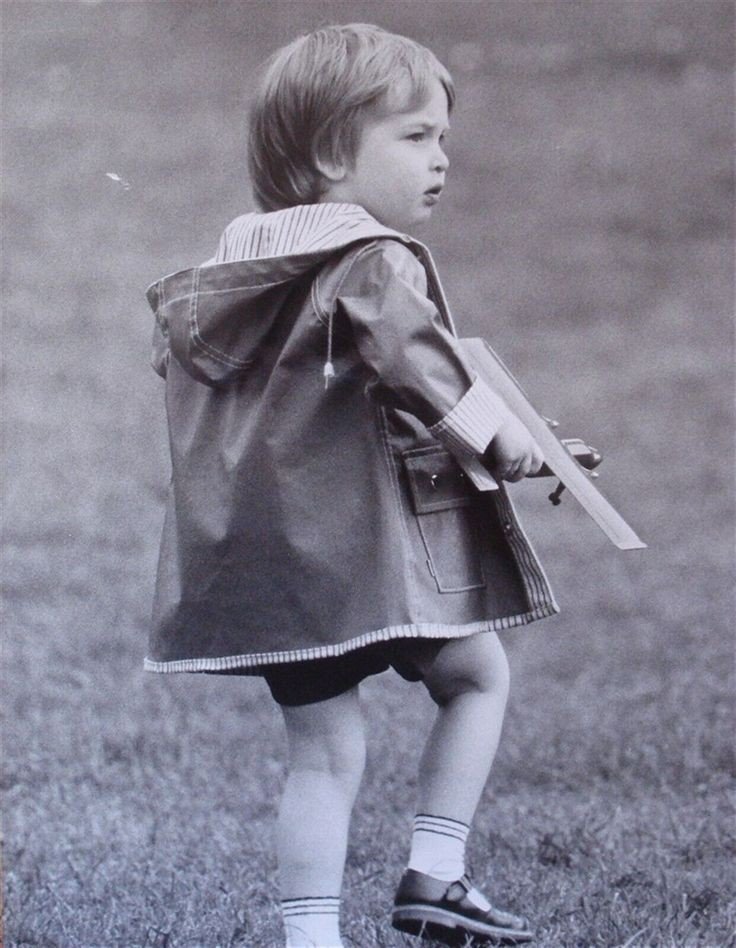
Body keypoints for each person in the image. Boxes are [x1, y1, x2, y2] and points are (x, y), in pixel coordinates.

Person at [145, 23, 559, 948]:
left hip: (264, 563)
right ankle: (436, 874)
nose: (441, 160)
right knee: (477, 676)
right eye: (414, 137)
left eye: (442, 137)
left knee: (323, 755)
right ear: (333, 151)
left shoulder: (225, 275)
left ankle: (312, 938)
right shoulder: (371, 257)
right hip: (358, 550)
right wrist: (505, 442)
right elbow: (415, 361)